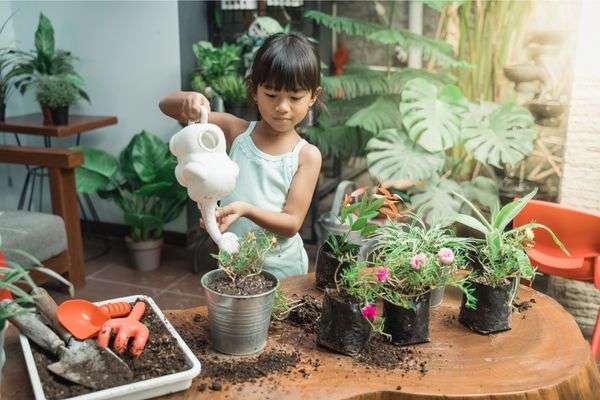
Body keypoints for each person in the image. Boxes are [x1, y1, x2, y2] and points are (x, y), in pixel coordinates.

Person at [159, 32, 322, 279]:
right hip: (234, 262)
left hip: (284, 271)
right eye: (271, 94)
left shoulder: (306, 155)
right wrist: (188, 100)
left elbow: (291, 224)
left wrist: (245, 210)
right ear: (254, 91)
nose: (282, 107)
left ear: (313, 97)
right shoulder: (235, 132)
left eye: (295, 97)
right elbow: (166, 106)